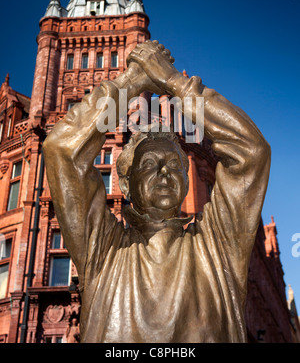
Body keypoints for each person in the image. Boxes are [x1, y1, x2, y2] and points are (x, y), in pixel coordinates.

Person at [43, 40, 271, 343]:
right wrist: (130, 82)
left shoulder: (218, 248)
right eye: (149, 164)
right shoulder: (103, 252)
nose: (165, 171)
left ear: (187, 183)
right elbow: (61, 149)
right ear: (127, 184)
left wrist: (173, 82)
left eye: (175, 165)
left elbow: (252, 152)